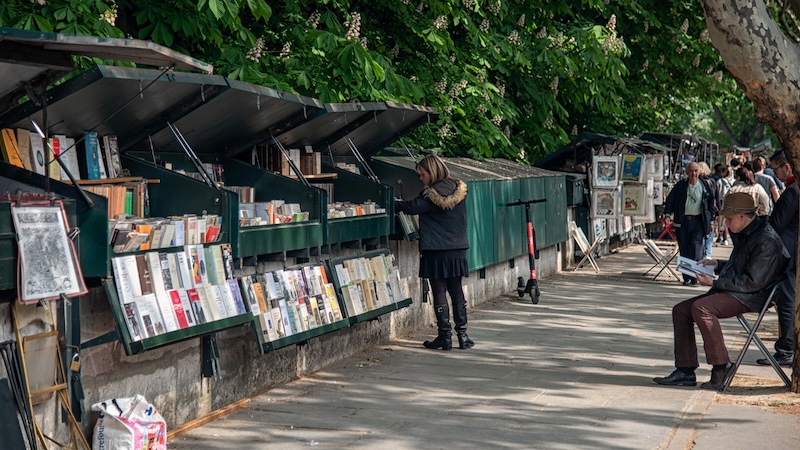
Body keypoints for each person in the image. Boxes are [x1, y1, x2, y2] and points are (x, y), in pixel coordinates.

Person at [653, 193, 789, 390]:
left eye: (729, 218)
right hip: (741, 289)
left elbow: (752, 282)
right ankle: (685, 370)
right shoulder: (748, 231)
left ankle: (721, 366)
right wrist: (717, 265)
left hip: (754, 295)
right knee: (681, 310)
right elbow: (745, 266)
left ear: (743, 216)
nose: (726, 222)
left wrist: (715, 281)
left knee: (702, 308)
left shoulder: (765, 238)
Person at [395, 155, 473, 351]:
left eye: (422, 174)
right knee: (456, 290)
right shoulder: (459, 190)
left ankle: (444, 337)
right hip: (457, 248)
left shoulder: (431, 195)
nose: (421, 179)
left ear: (432, 172)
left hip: (436, 249)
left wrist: (392, 202)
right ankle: (463, 336)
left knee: (439, 291)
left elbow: (412, 208)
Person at [762, 149, 798, 366]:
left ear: (787, 166)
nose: (775, 174)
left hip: (787, 254)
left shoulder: (793, 191)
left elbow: (778, 224)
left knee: (786, 300)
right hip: (789, 252)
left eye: (775, 169)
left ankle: (786, 349)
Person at [664, 162, 717, 286]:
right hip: (682, 222)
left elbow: (711, 204)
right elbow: (670, 200)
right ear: (687, 172)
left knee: (696, 248)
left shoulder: (704, 185)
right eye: (691, 171)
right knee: (684, 249)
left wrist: (711, 220)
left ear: (699, 172)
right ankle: (686, 277)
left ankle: (695, 276)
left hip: (698, 221)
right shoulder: (681, 186)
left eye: (696, 171)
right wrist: (667, 214)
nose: (694, 174)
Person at [698, 162, 718, 259]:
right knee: (710, 232)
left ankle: (701, 252)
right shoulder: (712, 181)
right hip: (710, 211)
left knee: (701, 232)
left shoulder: (698, 182)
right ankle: (708, 254)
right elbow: (716, 197)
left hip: (701, 210)